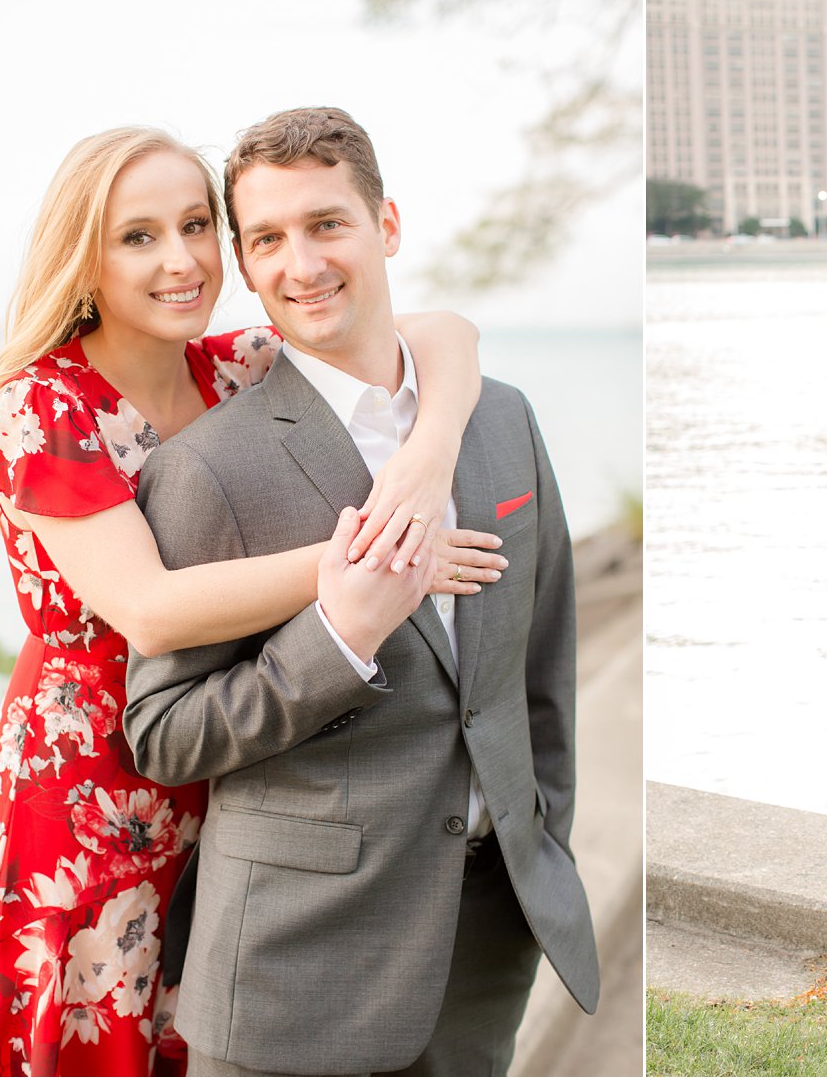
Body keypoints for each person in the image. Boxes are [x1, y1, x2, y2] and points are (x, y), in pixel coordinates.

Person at [0, 127, 493, 1077]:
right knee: (94, 1025)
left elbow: (443, 331)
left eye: (197, 225)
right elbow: (148, 610)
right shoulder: (42, 408)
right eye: (139, 236)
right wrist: (378, 559)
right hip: (89, 785)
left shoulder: (234, 369)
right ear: (85, 257)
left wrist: (430, 448)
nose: (183, 259)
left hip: (230, 756)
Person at [122, 106, 600, 1077]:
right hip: (295, 965)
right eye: (267, 239)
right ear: (246, 269)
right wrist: (336, 637)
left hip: (488, 935)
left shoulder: (499, 418)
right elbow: (163, 733)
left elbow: (539, 659)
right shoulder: (207, 469)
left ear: (385, 225)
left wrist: (541, 826)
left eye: (326, 223)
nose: (302, 263)